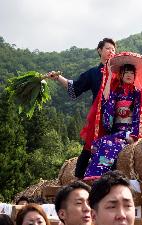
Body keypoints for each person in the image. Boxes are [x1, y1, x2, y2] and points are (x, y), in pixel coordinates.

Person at [47, 38, 116, 179]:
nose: (111, 51)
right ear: (100, 51)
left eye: (114, 49)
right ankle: (78, 181)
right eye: (108, 48)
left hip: (117, 117)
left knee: (117, 149)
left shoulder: (119, 72)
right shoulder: (92, 73)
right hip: (98, 117)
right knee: (88, 150)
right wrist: (58, 78)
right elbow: (75, 87)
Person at [83, 63, 141, 180]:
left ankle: (102, 175)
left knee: (109, 145)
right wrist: (109, 76)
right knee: (98, 143)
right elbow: (106, 99)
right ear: (121, 75)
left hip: (129, 132)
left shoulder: (136, 93)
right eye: (126, 72)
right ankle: (98, 175)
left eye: (132, 73)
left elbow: (137, 115)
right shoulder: (117, 92)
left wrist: (134, 135)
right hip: (116, 131)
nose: (129, 75)